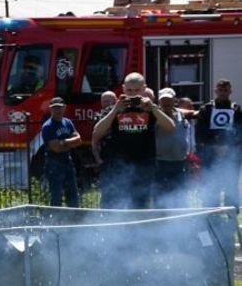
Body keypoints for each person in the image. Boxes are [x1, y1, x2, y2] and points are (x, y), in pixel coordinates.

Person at [92, 73, 175, 208]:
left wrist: (153, 108)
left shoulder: (151, 109)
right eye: (129, 90)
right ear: (124, 89)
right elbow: (97, 133)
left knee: (139, 205)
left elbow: (170, 128)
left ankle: (138, 229)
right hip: (118, 166)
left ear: (144, 89)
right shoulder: (114, 109)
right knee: (113, 204)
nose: (133, 94)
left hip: (144, 166)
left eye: (137, 90)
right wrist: (115, 110)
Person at [195, 79, 242, 207]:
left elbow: (240, 132)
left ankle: (231, 218)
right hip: (210, 155)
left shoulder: (236, 109)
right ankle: (211, 218)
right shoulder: (206, 109)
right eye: (220, 90)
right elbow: (200, 132)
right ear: (215, 91)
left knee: (231, 187)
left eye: (225, 90)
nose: (223, 93)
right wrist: (214, 145)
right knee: (211, 186)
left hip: (231, 155)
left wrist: (228, 146)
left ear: (230, 91)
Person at [152, 88, 190, 208]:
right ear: (159, 102)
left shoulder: (181, 115)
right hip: (161, 163)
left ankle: (179, 222)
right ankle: (160, 221)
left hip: (180, 162)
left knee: (180, 196)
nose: (166, 103)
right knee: (160, 196)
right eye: (163, 100)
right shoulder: (155, 116)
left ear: (175, 100)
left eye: (169, 100)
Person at [41, 98, 81, 207]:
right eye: (54, 108)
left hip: (67, 161)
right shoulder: (47, 126)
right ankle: (55, 221)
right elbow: (56, 148)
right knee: (56, 196)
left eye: (59, 107)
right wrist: (69, 144)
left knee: (73, 194)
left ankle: (74, 220)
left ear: (64, 108)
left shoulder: (68, 122)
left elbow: (78, 140)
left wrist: (63, 142)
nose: (57, 110)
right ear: (50, 109)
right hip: (54, 164)